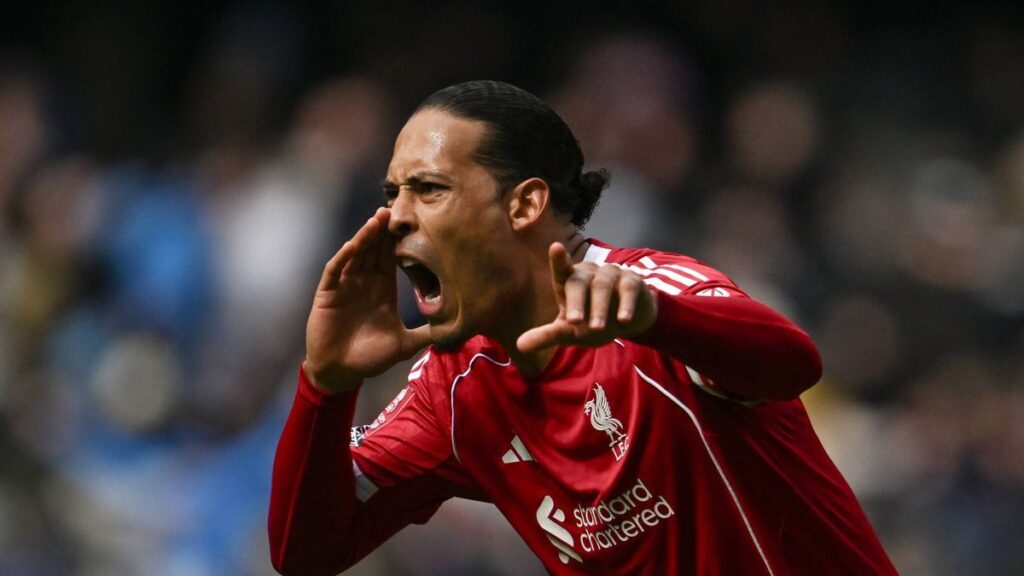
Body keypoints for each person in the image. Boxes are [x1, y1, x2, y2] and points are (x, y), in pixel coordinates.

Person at [268, 80, 897, 575]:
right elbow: (308, 554)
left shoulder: (644, 293)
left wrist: (659, 319)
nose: (393, 217)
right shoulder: (452, 389)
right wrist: (326, 385)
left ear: (525, 204)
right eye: (392, 193)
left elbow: (792, 365)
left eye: (427, 189)